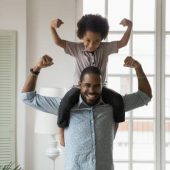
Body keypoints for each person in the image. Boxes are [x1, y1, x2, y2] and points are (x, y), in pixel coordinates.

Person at [21, 55, 152, 170]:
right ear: (80, 84)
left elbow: (145, 96)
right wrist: (36, 69)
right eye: (87, 85)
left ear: (102, 86)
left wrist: (138, 67)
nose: (92, 90)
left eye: (97, 86)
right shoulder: (64, 105)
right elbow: (28, 98)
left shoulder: (113, 106)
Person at [50, 14, 133, 145]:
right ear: (82, 36)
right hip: (79, 87)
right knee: (65, 103)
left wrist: (129, 27)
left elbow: (123, 43)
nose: (91, 45)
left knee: (117, 100)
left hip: (100, 88)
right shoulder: (76, 48)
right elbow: (58, 42)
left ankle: (114, 128)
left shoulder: (105, 49)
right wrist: (52, 27)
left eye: (96, 41)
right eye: (87, 40)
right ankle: (60, 131)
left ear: (101, 39)